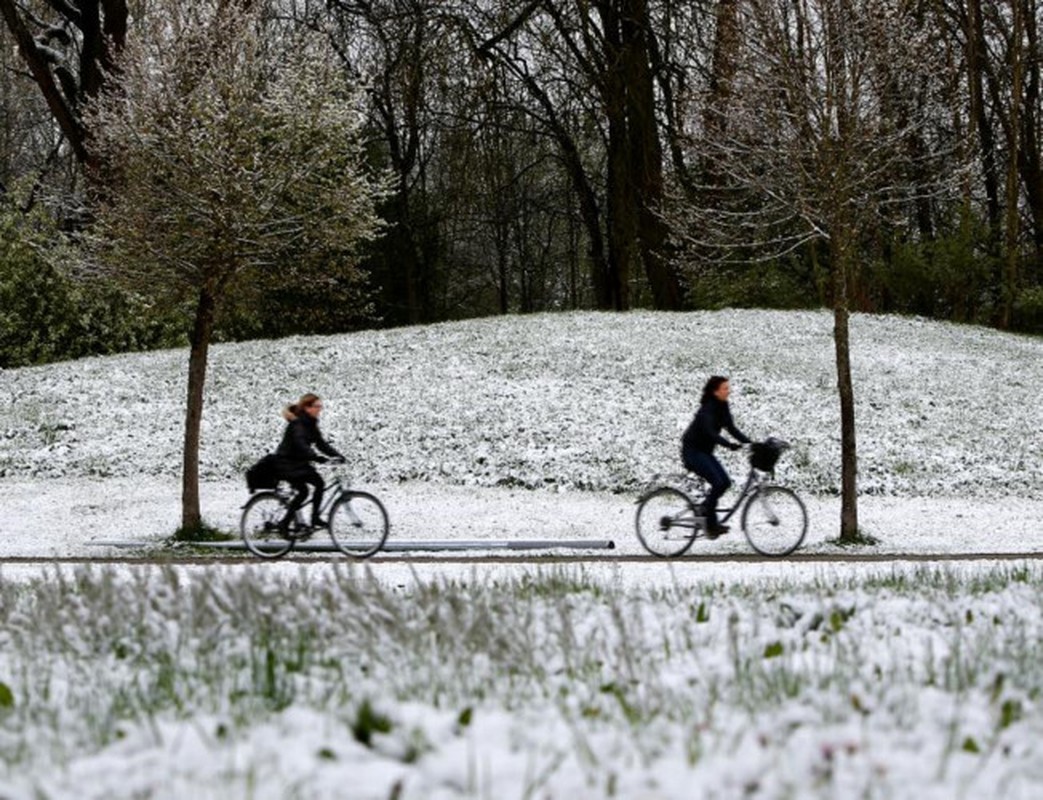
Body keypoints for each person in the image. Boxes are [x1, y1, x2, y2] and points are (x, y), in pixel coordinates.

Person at [681, 376, 752, 538]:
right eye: (725, 388)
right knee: (718, 482)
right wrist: (728, 445)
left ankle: (706, 509)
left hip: (705, 452)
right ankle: (710, 522)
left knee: (725, 482)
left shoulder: (723, 406)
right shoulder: (707, 409)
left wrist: (751, 444)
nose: (729, 391)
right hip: (692, 452)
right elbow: (710, 433)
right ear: (715, 391)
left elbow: (732, 428)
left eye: (728, 388)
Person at [273, 393, 344, 529]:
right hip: (287, 464)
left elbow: (321, 444)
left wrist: (337, 455)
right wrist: (317, 458)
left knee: (316, 485)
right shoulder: (298, 424)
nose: (320, 409)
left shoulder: (311, 424)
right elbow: (302, 445)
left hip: (298, 464)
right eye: (317, 406)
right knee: (306, 490)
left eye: (320, 406)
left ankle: (307, 519)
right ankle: (294, 521)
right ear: (307, 408)